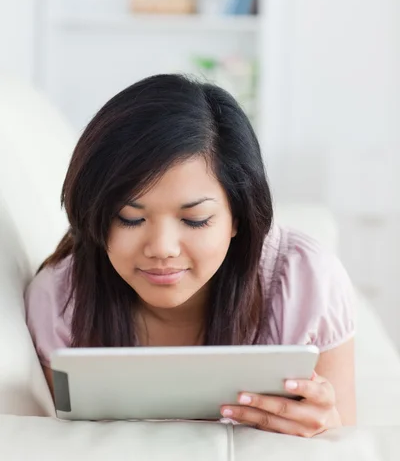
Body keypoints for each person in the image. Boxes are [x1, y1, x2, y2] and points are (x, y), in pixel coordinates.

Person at [25, 74, 356, 436]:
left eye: (195, 220)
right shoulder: (60, 300)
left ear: (238, 218)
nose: (162, 248)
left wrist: (331, 431)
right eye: (130, 218)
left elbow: (349, 438)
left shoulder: (307, 280)